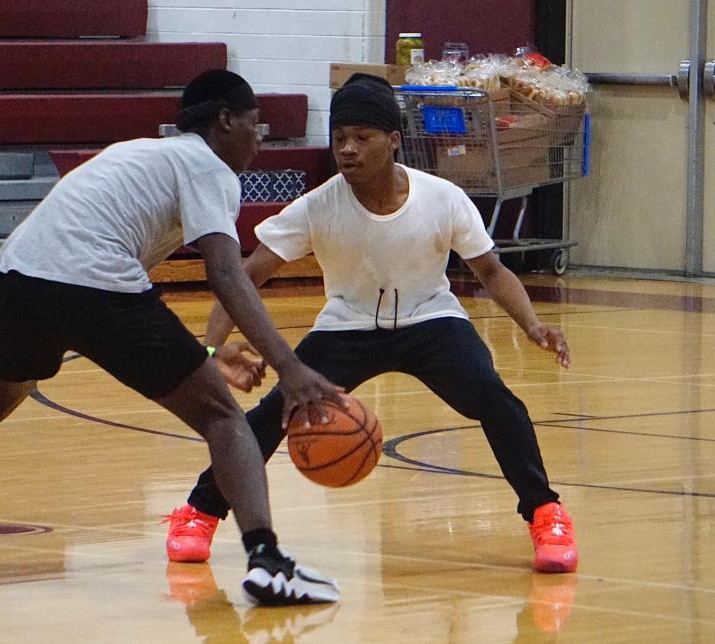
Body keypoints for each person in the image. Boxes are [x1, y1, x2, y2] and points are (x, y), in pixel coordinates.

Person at [0, 69, 347, 606]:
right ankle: (266, 559)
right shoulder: (207, 165)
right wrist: (290, 367)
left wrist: (203, 350)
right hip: (93, 280)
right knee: (223, 418)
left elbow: (106, 284)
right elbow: (224, 273)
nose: (260, 136)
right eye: (254, 123)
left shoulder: (139, 154)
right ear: (225, 120)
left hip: (20, 278)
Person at [164, 73, 579, 574]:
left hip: (432, 320)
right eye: (339, 138)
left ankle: (546, 513)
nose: (347, 149)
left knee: (496, 399)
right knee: (273, 413)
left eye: (362, 137)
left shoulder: (441, 196)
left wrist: (533, 325)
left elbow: (490, 269)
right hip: (348, 327)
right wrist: (209, 351)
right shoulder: (318, 205)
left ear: (394, 141)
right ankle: (198, 512)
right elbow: (243, 277)